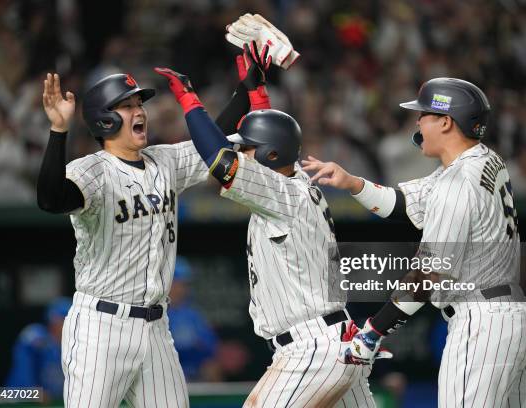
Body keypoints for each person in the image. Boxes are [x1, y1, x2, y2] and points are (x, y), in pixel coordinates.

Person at [154, 41, 387, 408]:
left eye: (247, 149)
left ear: (269, 155)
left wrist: (188, 100)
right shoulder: (293, 178)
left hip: (312, 351)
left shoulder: (283, 192)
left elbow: (218, 160)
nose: (240, 153)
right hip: (338, 342)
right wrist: (256, 94)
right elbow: (272, 138)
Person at [302, 78, 526, 407]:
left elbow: (428, 276)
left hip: (484, 324)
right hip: (520, 318)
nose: (417, 122)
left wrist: (373, 332)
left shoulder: (457, 181)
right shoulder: (485, 160)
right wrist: (353, 183)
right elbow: (402, 204)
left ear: (446, 121)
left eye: (424, 115)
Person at [36, 64, 252, 405]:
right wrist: (58, 130)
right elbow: (51, 200)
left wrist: (247, 87)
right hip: (102, 326)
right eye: (127, 106)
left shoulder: (164, 161)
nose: (139, 112)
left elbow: (215, 140)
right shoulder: (92, 171)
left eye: (140, 104)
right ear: (104, 120)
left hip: (156, 327)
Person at [6, 298, 72, 401]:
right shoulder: (36, 336)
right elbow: (23, 371)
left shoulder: (74, 347)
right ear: (54, 320)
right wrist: (34, 392)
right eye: (64, 320)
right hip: (18, 401)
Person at [167, 256, 219, 381]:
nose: (181, 289)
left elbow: (210, 347)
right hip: (165, 368)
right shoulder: (155, 313)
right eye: (177, 283)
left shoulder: (192, 314)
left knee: (212, 367)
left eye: (184, 285)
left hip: (193, 369)